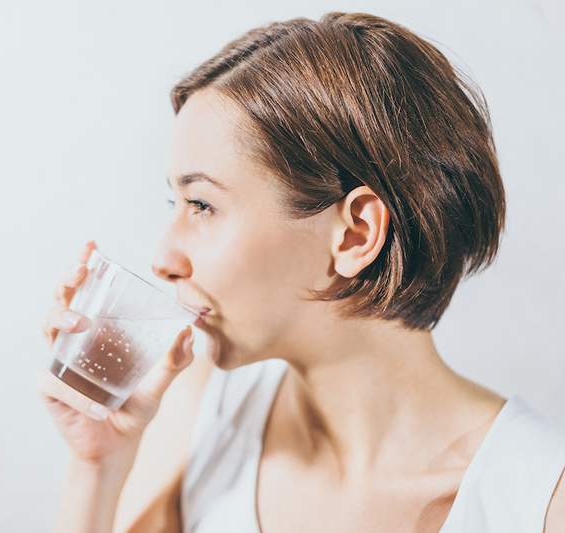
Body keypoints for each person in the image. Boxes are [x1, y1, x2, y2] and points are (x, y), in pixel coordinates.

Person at [37, 11, 565, 533]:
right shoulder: (200, 409)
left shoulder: (538, 502)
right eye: (174, 202)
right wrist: (98, 468)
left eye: (201, 205)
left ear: (356, 234)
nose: (163, 256)